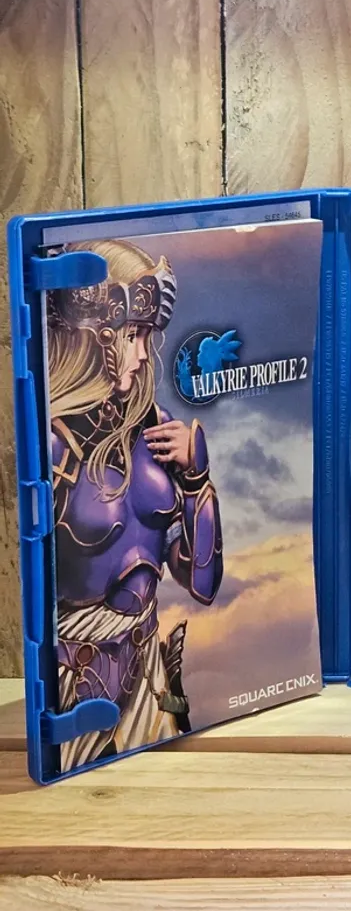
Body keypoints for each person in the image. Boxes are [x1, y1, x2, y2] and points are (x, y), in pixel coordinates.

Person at [48, 238, 223, 771]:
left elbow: (201, 583)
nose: (144, 353)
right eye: (132, 335)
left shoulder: (156, 429)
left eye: (148, 335)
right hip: (76, 677)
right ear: (95, 338)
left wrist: (196, 478)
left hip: (149, 673)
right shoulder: (54, 446)